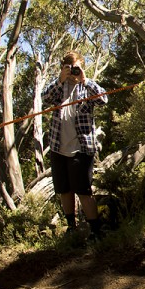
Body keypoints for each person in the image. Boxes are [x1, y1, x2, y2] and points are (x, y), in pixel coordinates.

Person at [42, 51, 108, 241]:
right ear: (64, 68)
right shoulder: (58, 88)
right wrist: (60, 80)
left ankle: (96, 231)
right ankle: (72, 227)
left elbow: (104, 99)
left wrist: (85, 80)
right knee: (64, 189)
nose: (74, 71)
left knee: (83, 190)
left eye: (77, 67)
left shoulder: (86, 87)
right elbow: (44, 99)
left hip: (82, 148)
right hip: (58, 147)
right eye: (70, 68)